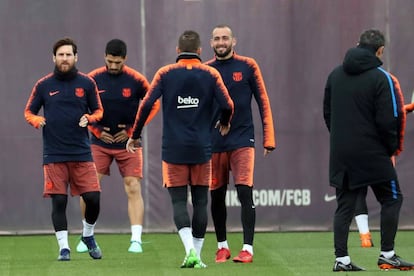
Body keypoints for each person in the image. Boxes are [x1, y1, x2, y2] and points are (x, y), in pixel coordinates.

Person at [126, 30, 234, 268]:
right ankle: (197, 254)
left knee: (178, 203)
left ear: (177, 51)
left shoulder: (165, 73)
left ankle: (189, 252)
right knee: (201, 203)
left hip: (173, 149)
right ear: (199, 52)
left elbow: (145, 105)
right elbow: (228, 104)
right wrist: (225, 122)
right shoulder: (211, 73)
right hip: (202, 149)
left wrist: (135, 135)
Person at [323, 29, 414, 271]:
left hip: (341, 153)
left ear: (357, 44)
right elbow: (389, 119)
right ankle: (387, 254)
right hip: (373, 154)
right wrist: (390, 149)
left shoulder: (334, 75)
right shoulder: (381, 78)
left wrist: (342, 140)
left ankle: (341, 260)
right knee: (392, 198)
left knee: (344, 206)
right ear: (380, 50)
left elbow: (327, 114)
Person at [75, 39, 159, 254]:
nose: (113, 66)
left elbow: (153, 103)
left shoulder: (136, 79)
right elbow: (81, 106)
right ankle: (87, 236)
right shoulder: (92, 79)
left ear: (125, 59)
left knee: (132, 186)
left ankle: (136, 240)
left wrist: (133, 131)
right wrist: (96, 129)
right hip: (98, 143)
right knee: (89, 189)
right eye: (110, 61)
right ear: (105, 57)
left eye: (118, 62)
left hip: (129, 143)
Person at [24, 37, 103, 261]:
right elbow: (29, 111)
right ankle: (64, 248)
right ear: (54, 58)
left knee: (93, 198)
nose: (65, 58)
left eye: (69, 54)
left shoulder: (87, 83)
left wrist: (89, 118)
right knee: (59, 201)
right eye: (61, 55)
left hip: (81, 152)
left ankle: (88, 235)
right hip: (54, 153)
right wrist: (36, 120)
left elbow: (99, 111)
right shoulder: (43, 85)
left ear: (76, 57)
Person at [205, 24, 276, 264]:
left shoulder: (248, 65)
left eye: (225, 38)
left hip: (242, 138)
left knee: (245, 191)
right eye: (217, 39)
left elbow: (263, 101)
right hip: (214, 142)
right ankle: (222, 246)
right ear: (211, 43)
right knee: (216, 196)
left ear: (234, 41)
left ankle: (247, 248)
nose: (221, 42)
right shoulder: (206, 70)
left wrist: (269, 138)